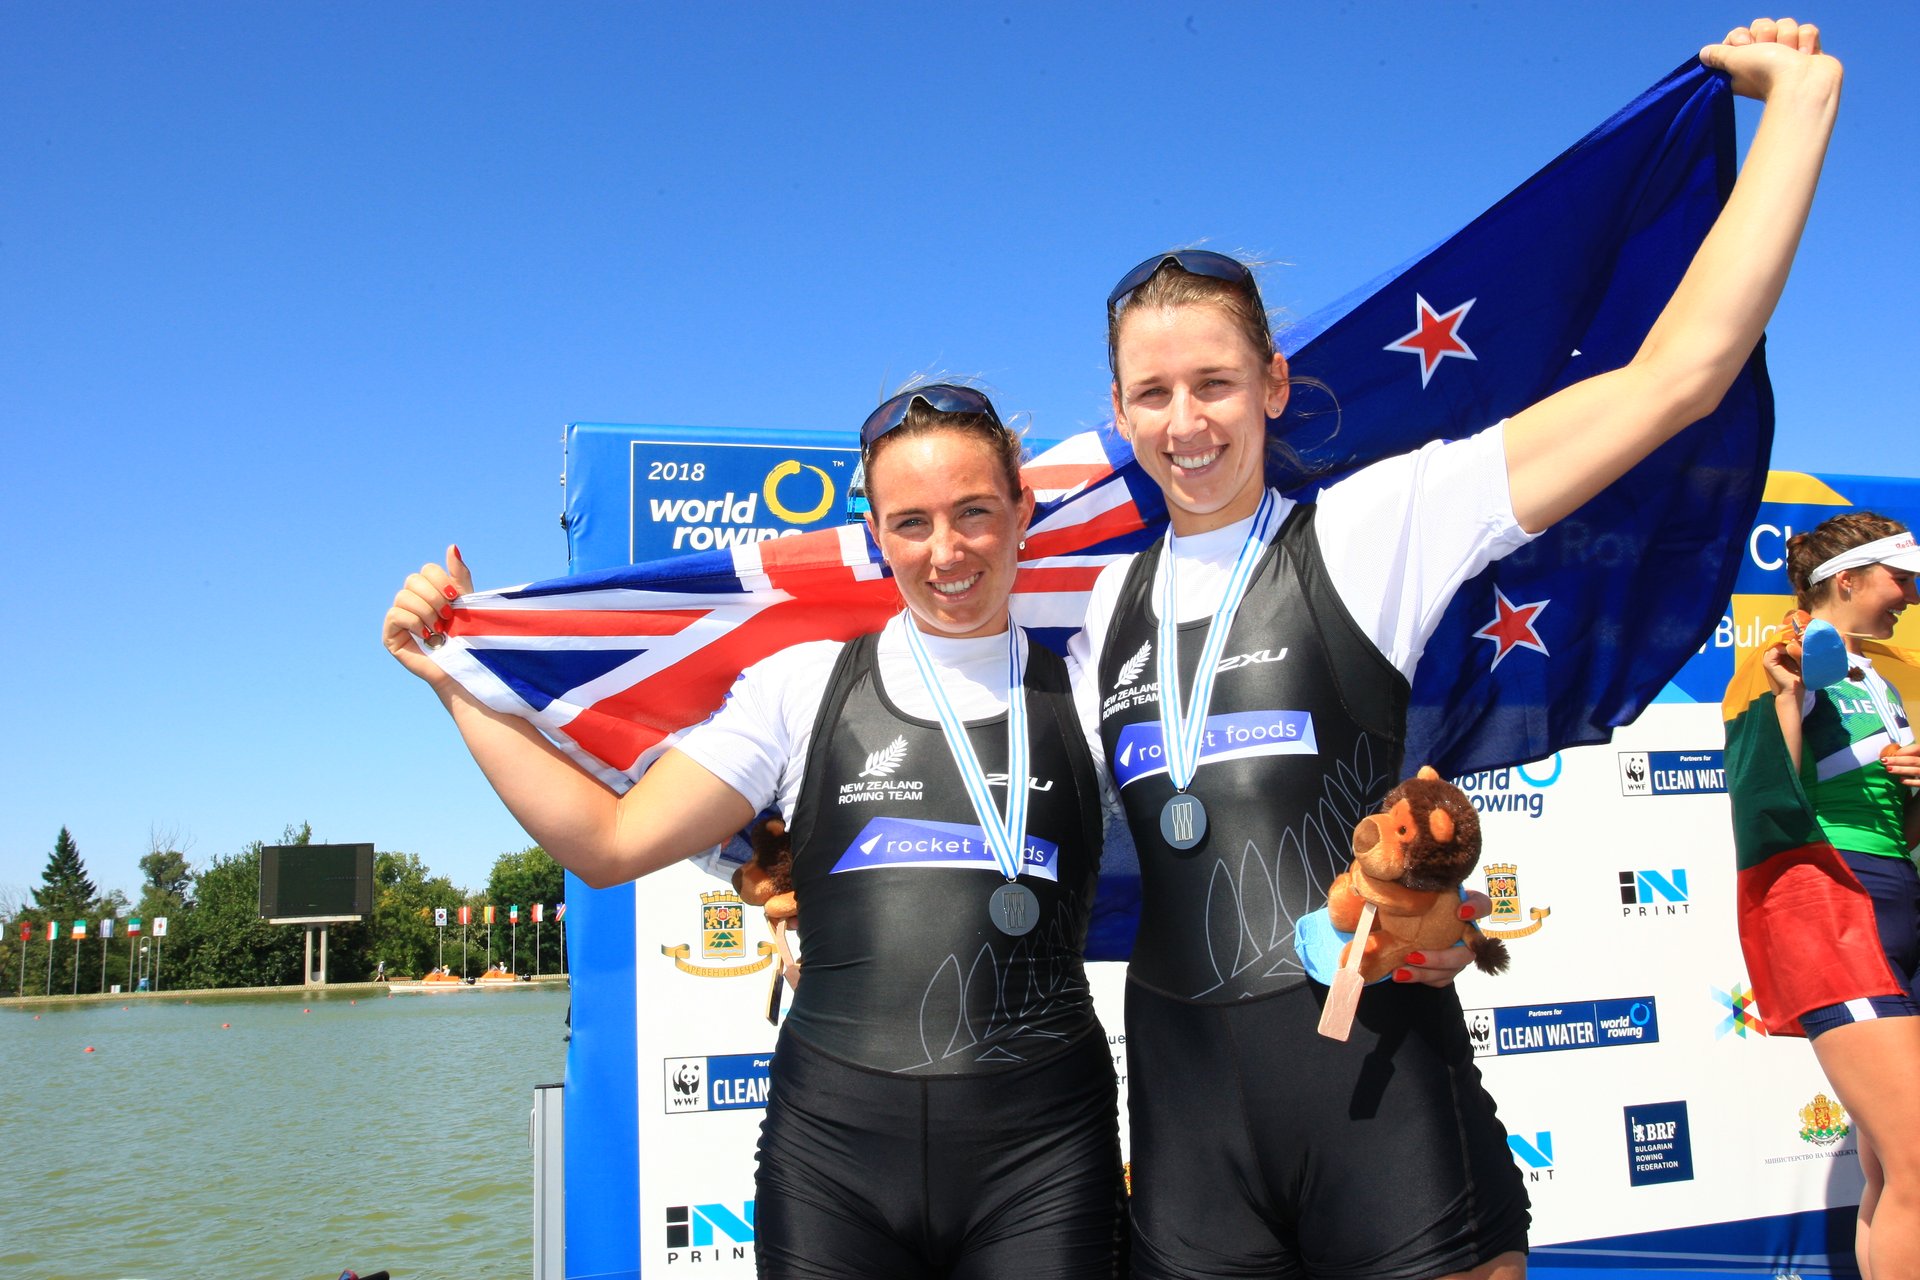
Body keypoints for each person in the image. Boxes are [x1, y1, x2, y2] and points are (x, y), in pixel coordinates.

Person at [1072, 18, 1842, 1280]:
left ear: (1271, 382)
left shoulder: (1378, 525)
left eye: (1213, 382)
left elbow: (1674, 380)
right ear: (1118, 412)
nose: (1184, 419)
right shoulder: (1109, 603)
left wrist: (1798, 108)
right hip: (1187, 1118)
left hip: (1382, 1096)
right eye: (1152, 394)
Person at [384, 385, 1125, 1279]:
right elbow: (609, 843)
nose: (947, 551)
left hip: (1043, 1157)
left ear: (1021, 512)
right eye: (911, 522)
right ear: (875, 534)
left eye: (974, 513)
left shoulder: (1091, 685)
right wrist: (452, 683)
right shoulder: (802, 686)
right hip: (836, 1158)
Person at [1752, 513, 1920, 1279]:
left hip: (1898, 899)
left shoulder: (1882, 675)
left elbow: (1903, 822)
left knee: (1892, 1165)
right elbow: (1763, 794)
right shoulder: (1790, 657)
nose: (1910, 596)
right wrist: (1787, 700)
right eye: (1899, 579)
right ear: (1847, 580)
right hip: (1834, 909)